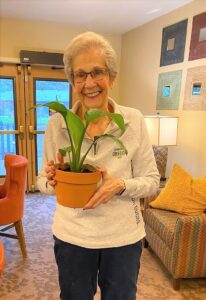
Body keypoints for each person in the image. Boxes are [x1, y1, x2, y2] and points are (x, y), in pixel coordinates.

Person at [37, 31, 160, 300]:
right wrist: (51, 179)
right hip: (73, 236)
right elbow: (42, 183)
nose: (89, 82)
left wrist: (119, 185)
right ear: (72, 81)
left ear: (112, 77)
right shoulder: (58, 124)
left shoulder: (133, 121)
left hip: (123, 238)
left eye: (97, 72)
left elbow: (151, 180)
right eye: (80, 75)